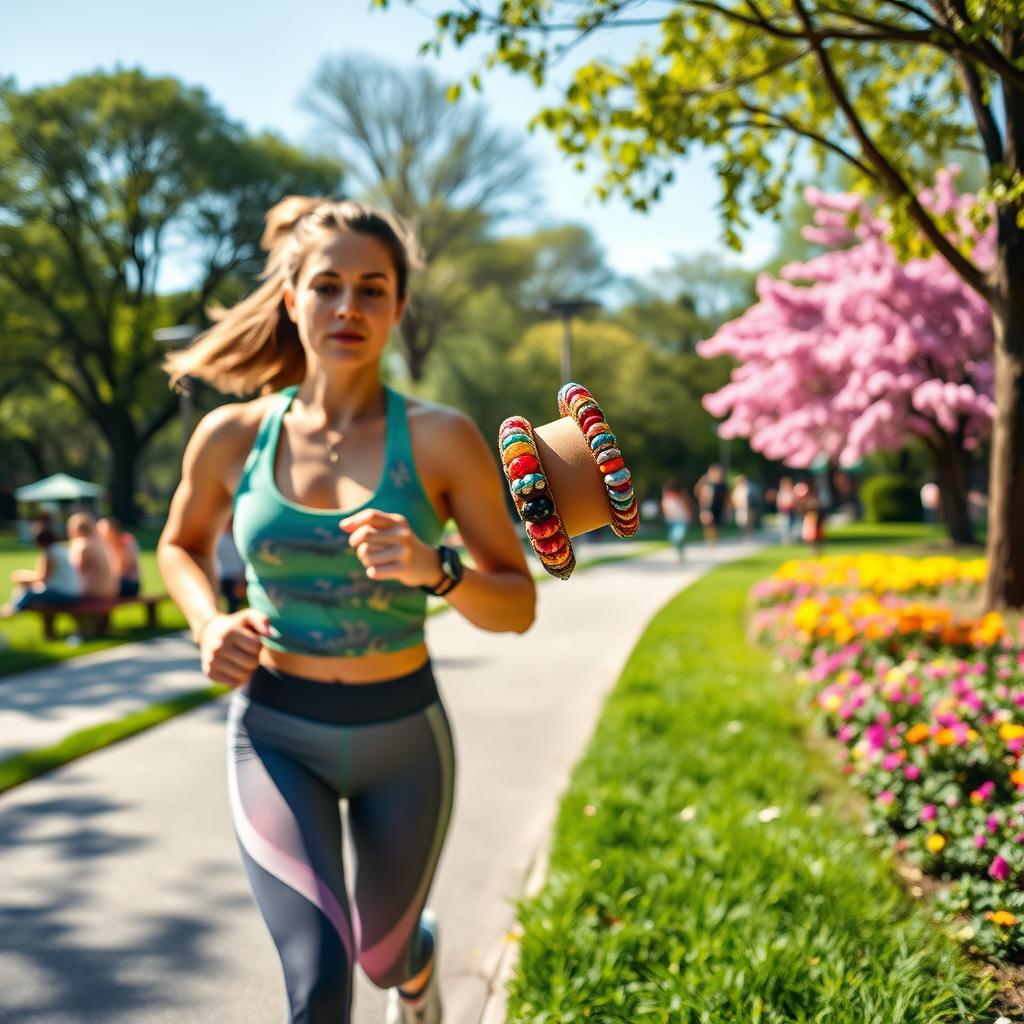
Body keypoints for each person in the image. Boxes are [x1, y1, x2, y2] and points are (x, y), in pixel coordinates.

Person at [157, 196, 535, 1024]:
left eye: (372, 289)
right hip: (276, 731)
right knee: (319, 984)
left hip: (404, 735)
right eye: (328, 286)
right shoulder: (231, 436)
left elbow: (516, 607)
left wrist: (437, 571)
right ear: (292, 299)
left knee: (382, 954)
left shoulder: (440, 440)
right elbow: (179, 546)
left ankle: (415, 972)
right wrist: (209, 623)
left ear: (399, 307)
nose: (348, 308)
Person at [0, 520, 82, 618]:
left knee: (30, 592)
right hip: (71, 592)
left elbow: (43, 578)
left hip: (67, 595)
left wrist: (23, 577)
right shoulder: (58, 549)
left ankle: (12, 609)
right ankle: (12, 607)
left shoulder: (51, 554)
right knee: (30, 590)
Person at [67, 512, 118, 598]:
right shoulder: (101, 543)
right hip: (110, 592)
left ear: (74, 529)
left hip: (94, 593)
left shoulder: (82, 544)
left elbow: (73, 572)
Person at [97, 517, 141, 597]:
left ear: (114, 530)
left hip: (129, 583)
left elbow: (127, 567)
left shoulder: (127, 541)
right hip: (115, 582)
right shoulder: (106, 546)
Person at [214, 518, 246, 614]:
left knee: (232, 604)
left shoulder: (220, 539)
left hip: (226, 577)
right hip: (232, 577)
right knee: (233, 605)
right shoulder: (229, 540)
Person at [660, 478, 693, 561]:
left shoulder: (682, 495)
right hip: (671, 520)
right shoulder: (666, 495)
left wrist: (689, 516)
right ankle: (680, 552)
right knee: (673, 539)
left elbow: (687, 505)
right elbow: (664, 506)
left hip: (682, 519)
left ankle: (681, 552)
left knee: (679, 537)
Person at [697, 463, 729, 548]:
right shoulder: (706, 483)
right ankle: (710, 542)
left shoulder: (722, 485)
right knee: (708, 525)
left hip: (718, 508)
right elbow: (698, 493)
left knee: (716, 526)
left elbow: (726, 498)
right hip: (707, 508)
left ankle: (713, 541)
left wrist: (726, 509)